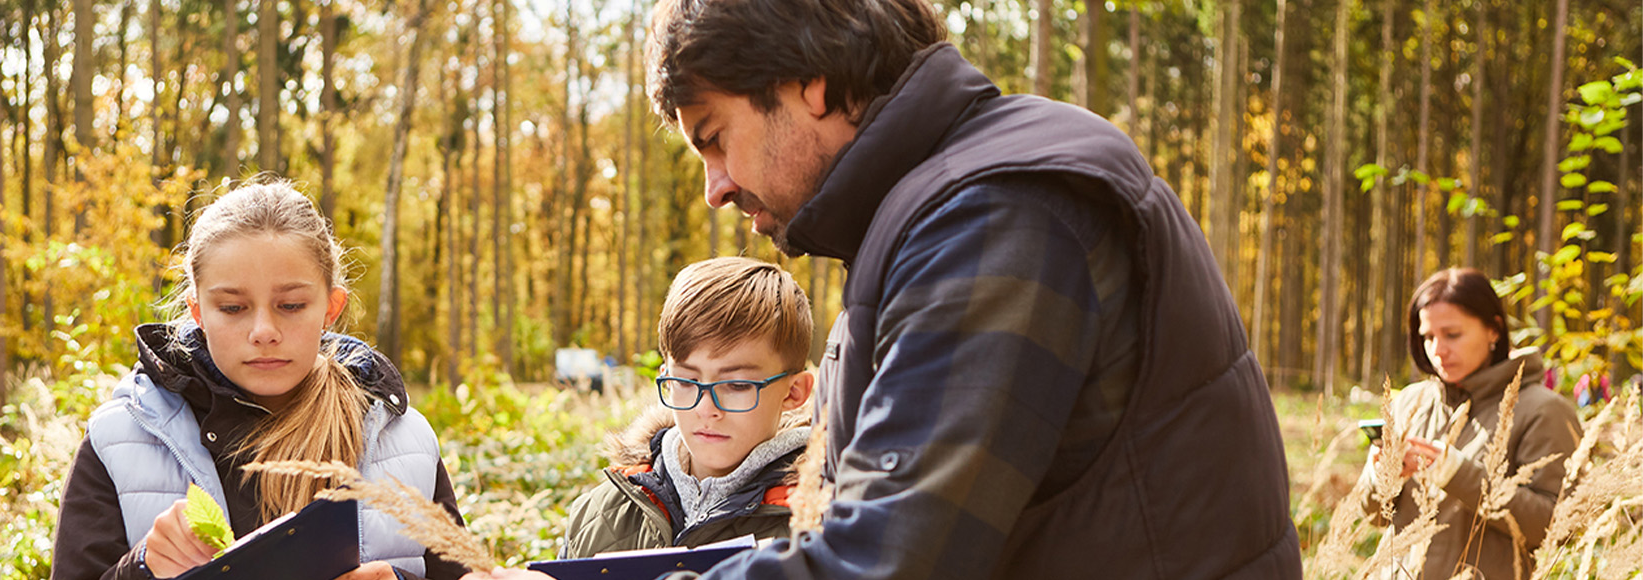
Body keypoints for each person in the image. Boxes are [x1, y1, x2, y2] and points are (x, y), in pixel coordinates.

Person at [476, 0, 1298, 578]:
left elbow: (892, 557)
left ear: (811, 83)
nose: (713, 189)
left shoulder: (995, 214)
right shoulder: (936, 211)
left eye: (715, 139)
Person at [51, 181, 470, 580]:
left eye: (290, 304)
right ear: (197, 311)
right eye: (233, 308)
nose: (263, 331)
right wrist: (143, 567)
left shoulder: (405, 442)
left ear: (331, 307)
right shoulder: (122, 439)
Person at [559, 257, 813, 558]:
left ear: (794, 392)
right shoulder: (601, 512)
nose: (706, 409)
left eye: (737, 385)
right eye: (685, 381)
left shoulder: (823, 521)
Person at [1359, 267, 1582, 579]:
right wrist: (1380, 476)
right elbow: (1374, 517)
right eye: (1428, 337)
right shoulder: (1411, 402)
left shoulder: (1543, 411)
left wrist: (1456, 473)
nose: (1437, 350)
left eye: (1452, 334)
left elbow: (1558, 526)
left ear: (1494, 330)